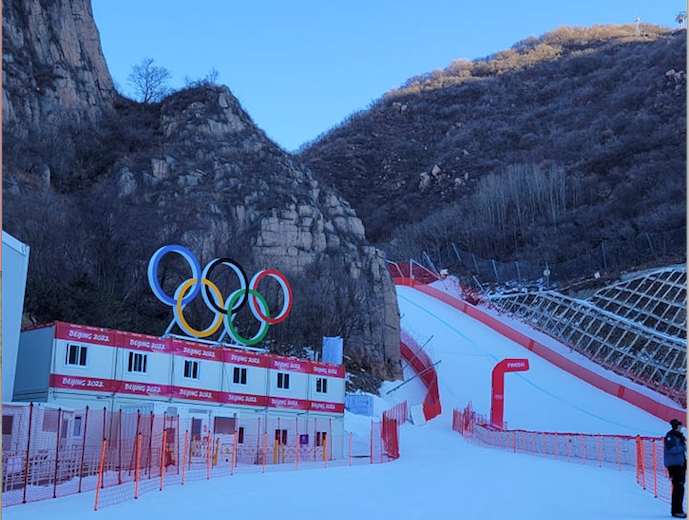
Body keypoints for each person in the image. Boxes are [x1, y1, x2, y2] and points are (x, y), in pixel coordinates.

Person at [664, 418, 687, 518]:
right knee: (678, 487)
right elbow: (671, 449)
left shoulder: (678, 436)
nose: (681, 427)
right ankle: (677, 511)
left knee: (680, 487)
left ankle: (678, 510)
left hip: (680, 464)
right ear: (676, 426)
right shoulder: (670, 436)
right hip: (674, 465)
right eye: (679, 425)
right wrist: (684, 447)